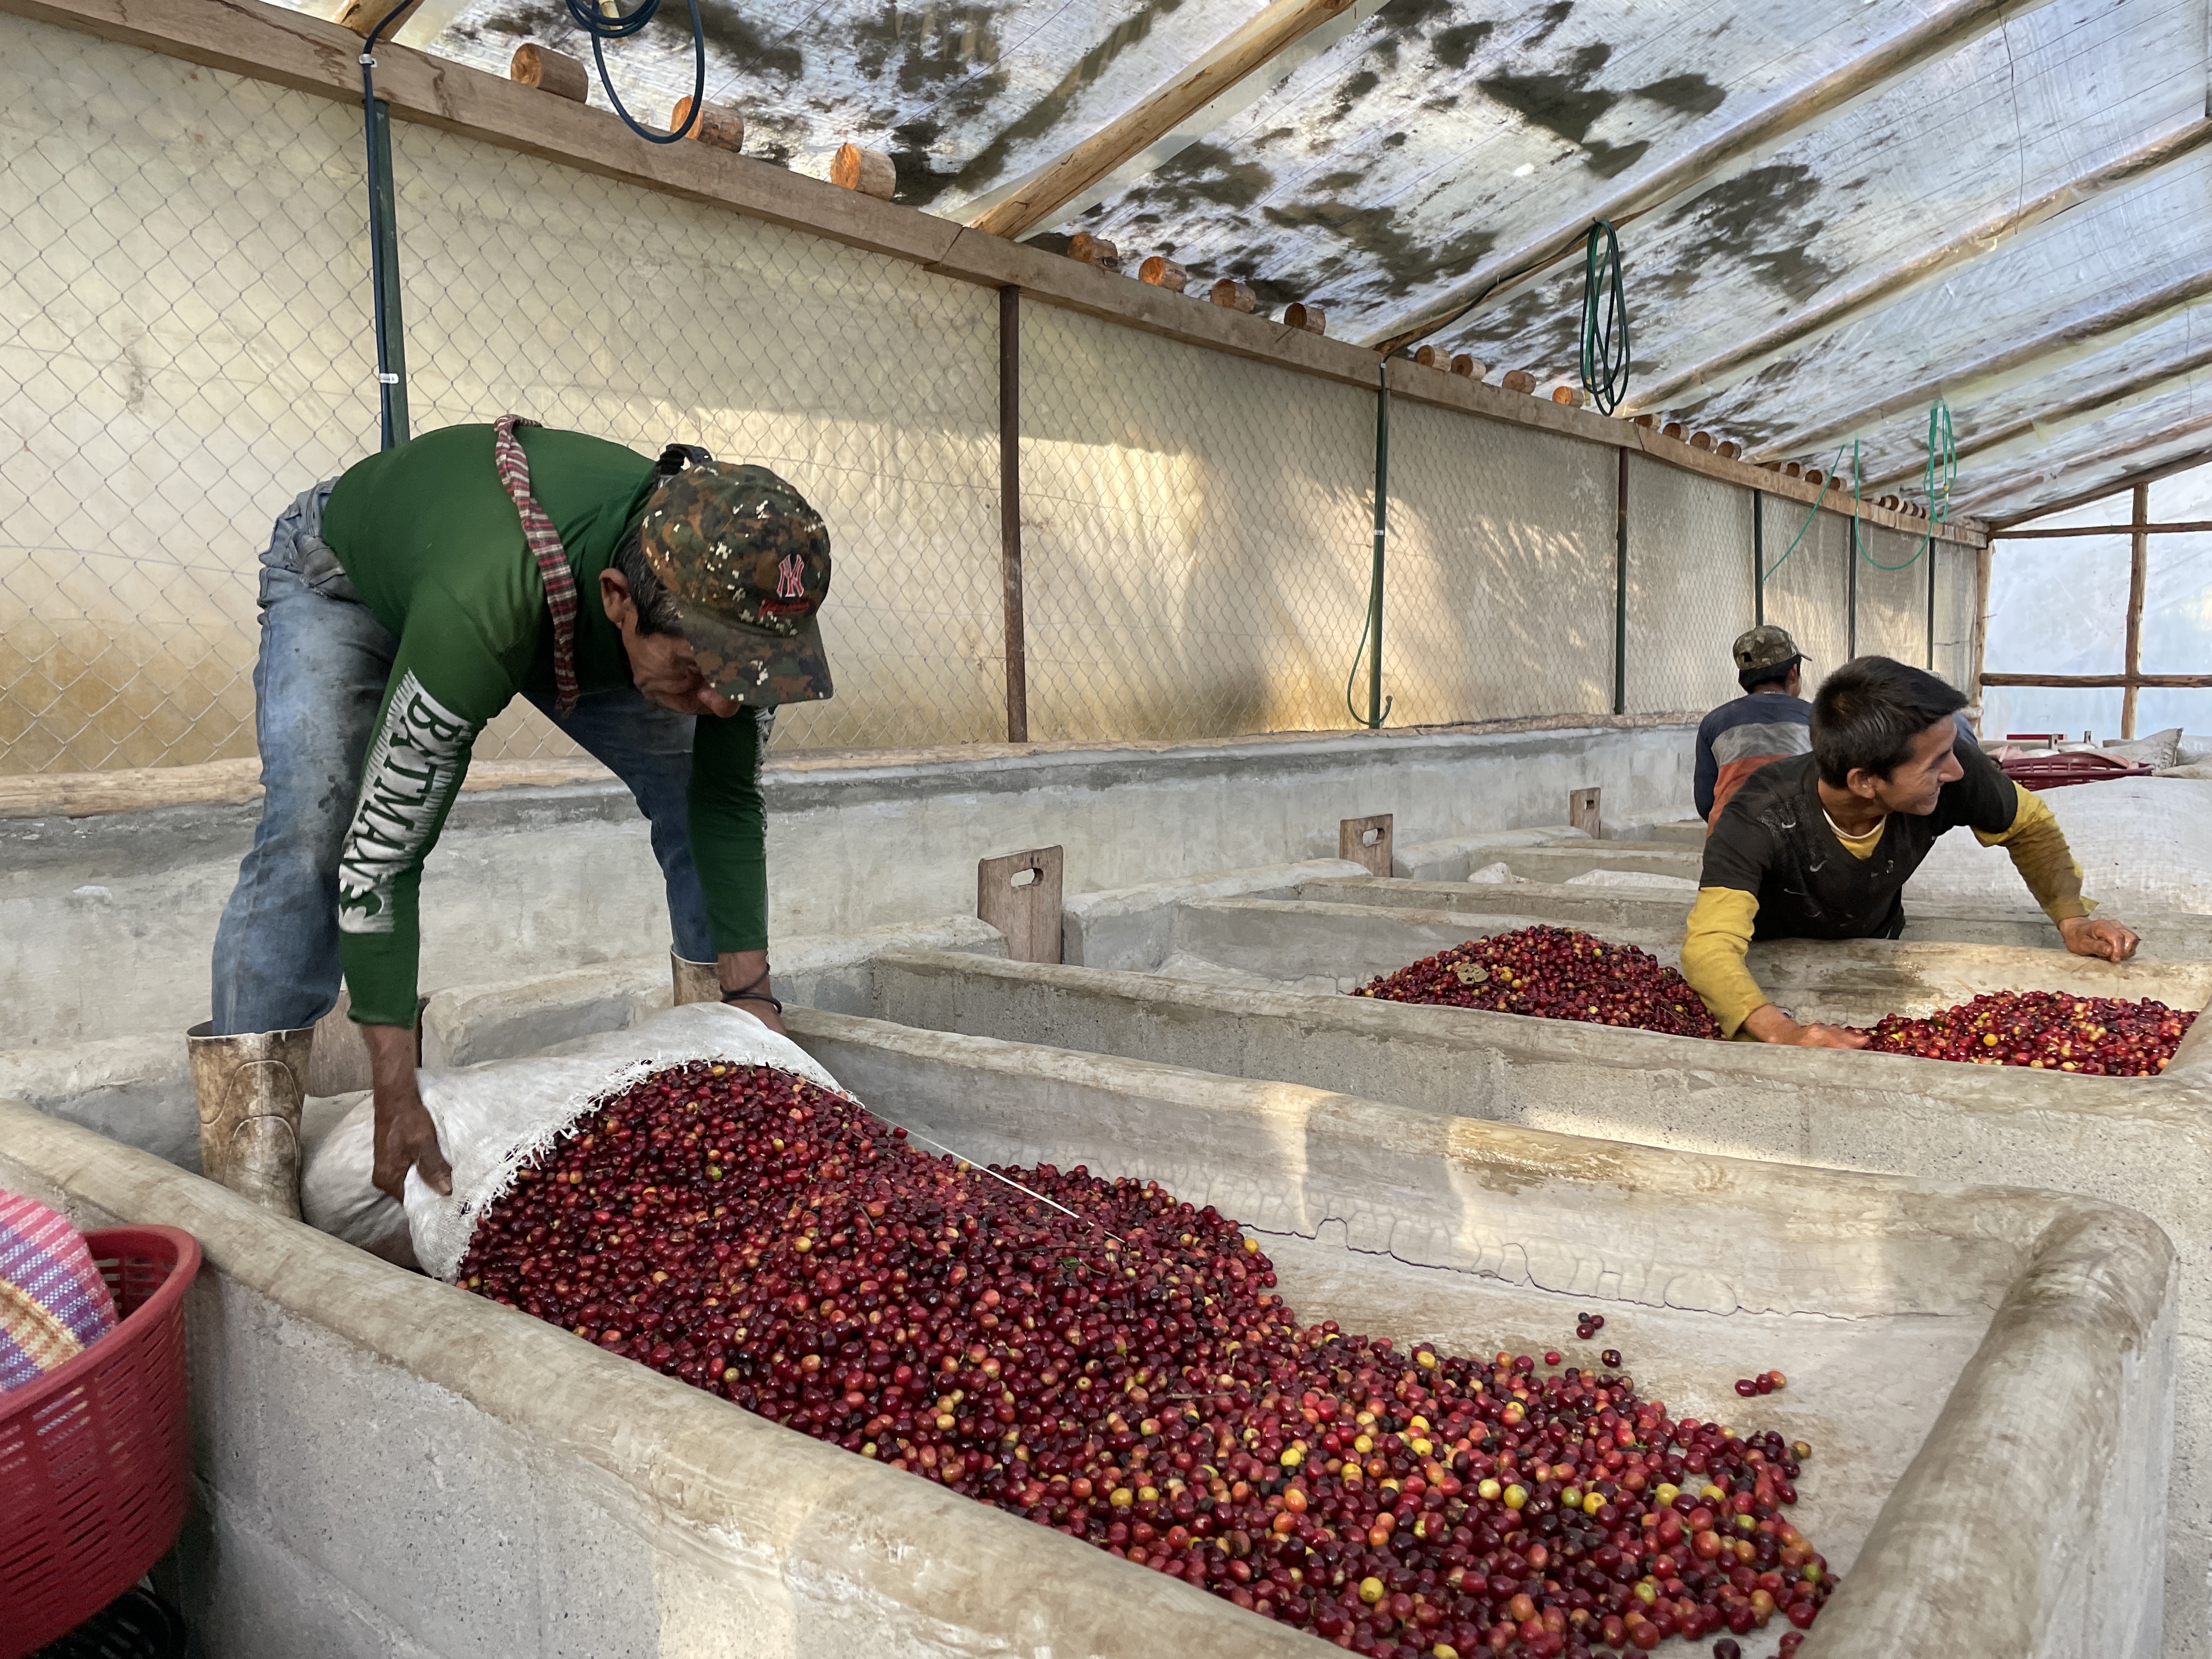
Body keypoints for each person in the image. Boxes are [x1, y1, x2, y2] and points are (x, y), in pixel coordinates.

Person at [190, 419, 832, 1212]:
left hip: (530, 591)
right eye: (699, 671)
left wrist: (754, 1007)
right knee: (314, 834)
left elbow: (725, 801)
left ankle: (724, 1083)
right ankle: (247, 1181)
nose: (721, 700)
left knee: (689, 780)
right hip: (341, 578)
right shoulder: (486, 602)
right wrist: (398, 1093)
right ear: (618, 601)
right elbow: (384, 852)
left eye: (744, 676)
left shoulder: (725, 598)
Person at [1680, 655, 2137, 1048]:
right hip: (1771, 957)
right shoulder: (1758, 816)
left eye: (1951, 750)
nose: (1955, 771)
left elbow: (2030, 825)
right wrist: (1783, 1032)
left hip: (1875, 939)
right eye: (1935, 763)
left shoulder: (1951, 767)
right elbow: (1710, 948)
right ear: (1864, 781)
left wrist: (2071, 917)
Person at [1695, 625, 1810, 825]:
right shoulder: (1817, 718)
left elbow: (1705, 802)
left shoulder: (1713, 723)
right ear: (1793, 673)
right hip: (1799, 837)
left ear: (1742, 681)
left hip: (1729, 840)